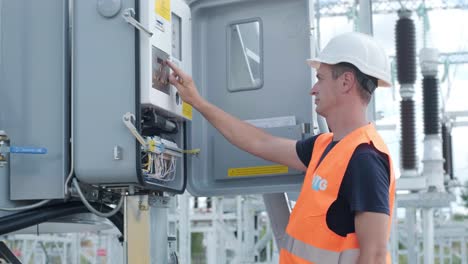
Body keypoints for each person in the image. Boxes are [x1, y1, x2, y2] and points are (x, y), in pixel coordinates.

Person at [166, 31, 395, 264]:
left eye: (321, 78)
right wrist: (197, 101)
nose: (313, 89)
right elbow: (259, 142)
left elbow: (374, 256)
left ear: (346, 82)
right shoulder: (325, 146)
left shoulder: (365, 158)